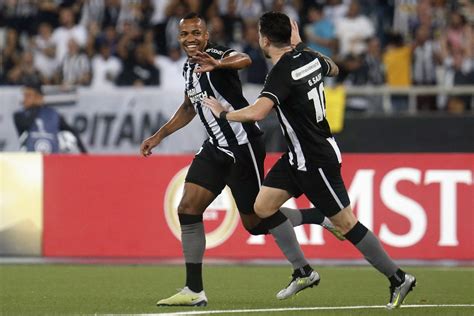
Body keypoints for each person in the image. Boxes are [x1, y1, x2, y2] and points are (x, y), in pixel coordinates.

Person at [203, 12, 416, 309]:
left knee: (347, 225)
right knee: (261, 207)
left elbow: (257, 113)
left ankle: (398, 278)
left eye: (259, 34)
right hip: (296, 157)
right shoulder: (311, 58)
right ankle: (307, 257)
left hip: (316, 159)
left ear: (264, 39)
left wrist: (223, 113)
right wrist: (301, 44)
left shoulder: (280, 72)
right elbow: (335, 67)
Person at [140, 12, 343, 307]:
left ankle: (317, 221)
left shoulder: (218, 55)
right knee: (187, 208)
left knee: (257, 223)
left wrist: (219, 63)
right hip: (214, 148)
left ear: (206, 35)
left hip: (242, 147)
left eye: (196, 33)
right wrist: (159, 135)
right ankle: (194, 290)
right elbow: (188, 107)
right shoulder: (188, 68)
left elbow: (244, 59)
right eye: (185, 34)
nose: (190, 39)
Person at [13, 81, 87, 154]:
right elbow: (26, 124)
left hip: (52, 160)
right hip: (30, 160)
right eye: (24, 95)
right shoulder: (19, 115)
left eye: (28, 95)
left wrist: (85, 154)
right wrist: (36, 107)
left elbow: (72, 131)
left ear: (39, 97)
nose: (24, 99)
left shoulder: (53, 114)